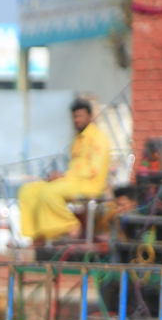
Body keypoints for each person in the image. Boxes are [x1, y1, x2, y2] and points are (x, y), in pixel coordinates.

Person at [18, 98, 112, 243]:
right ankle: (37, 237)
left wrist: (64, 176)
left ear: (90, 116)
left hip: (90, 184)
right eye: (74, 116)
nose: (77, 120)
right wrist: (61, 177)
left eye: (80, 116)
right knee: (28, 191)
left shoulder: (98, 138)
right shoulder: (77, 139)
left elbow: (94, 169)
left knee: (49, 192)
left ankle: (71, 226)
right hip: (72, 182)